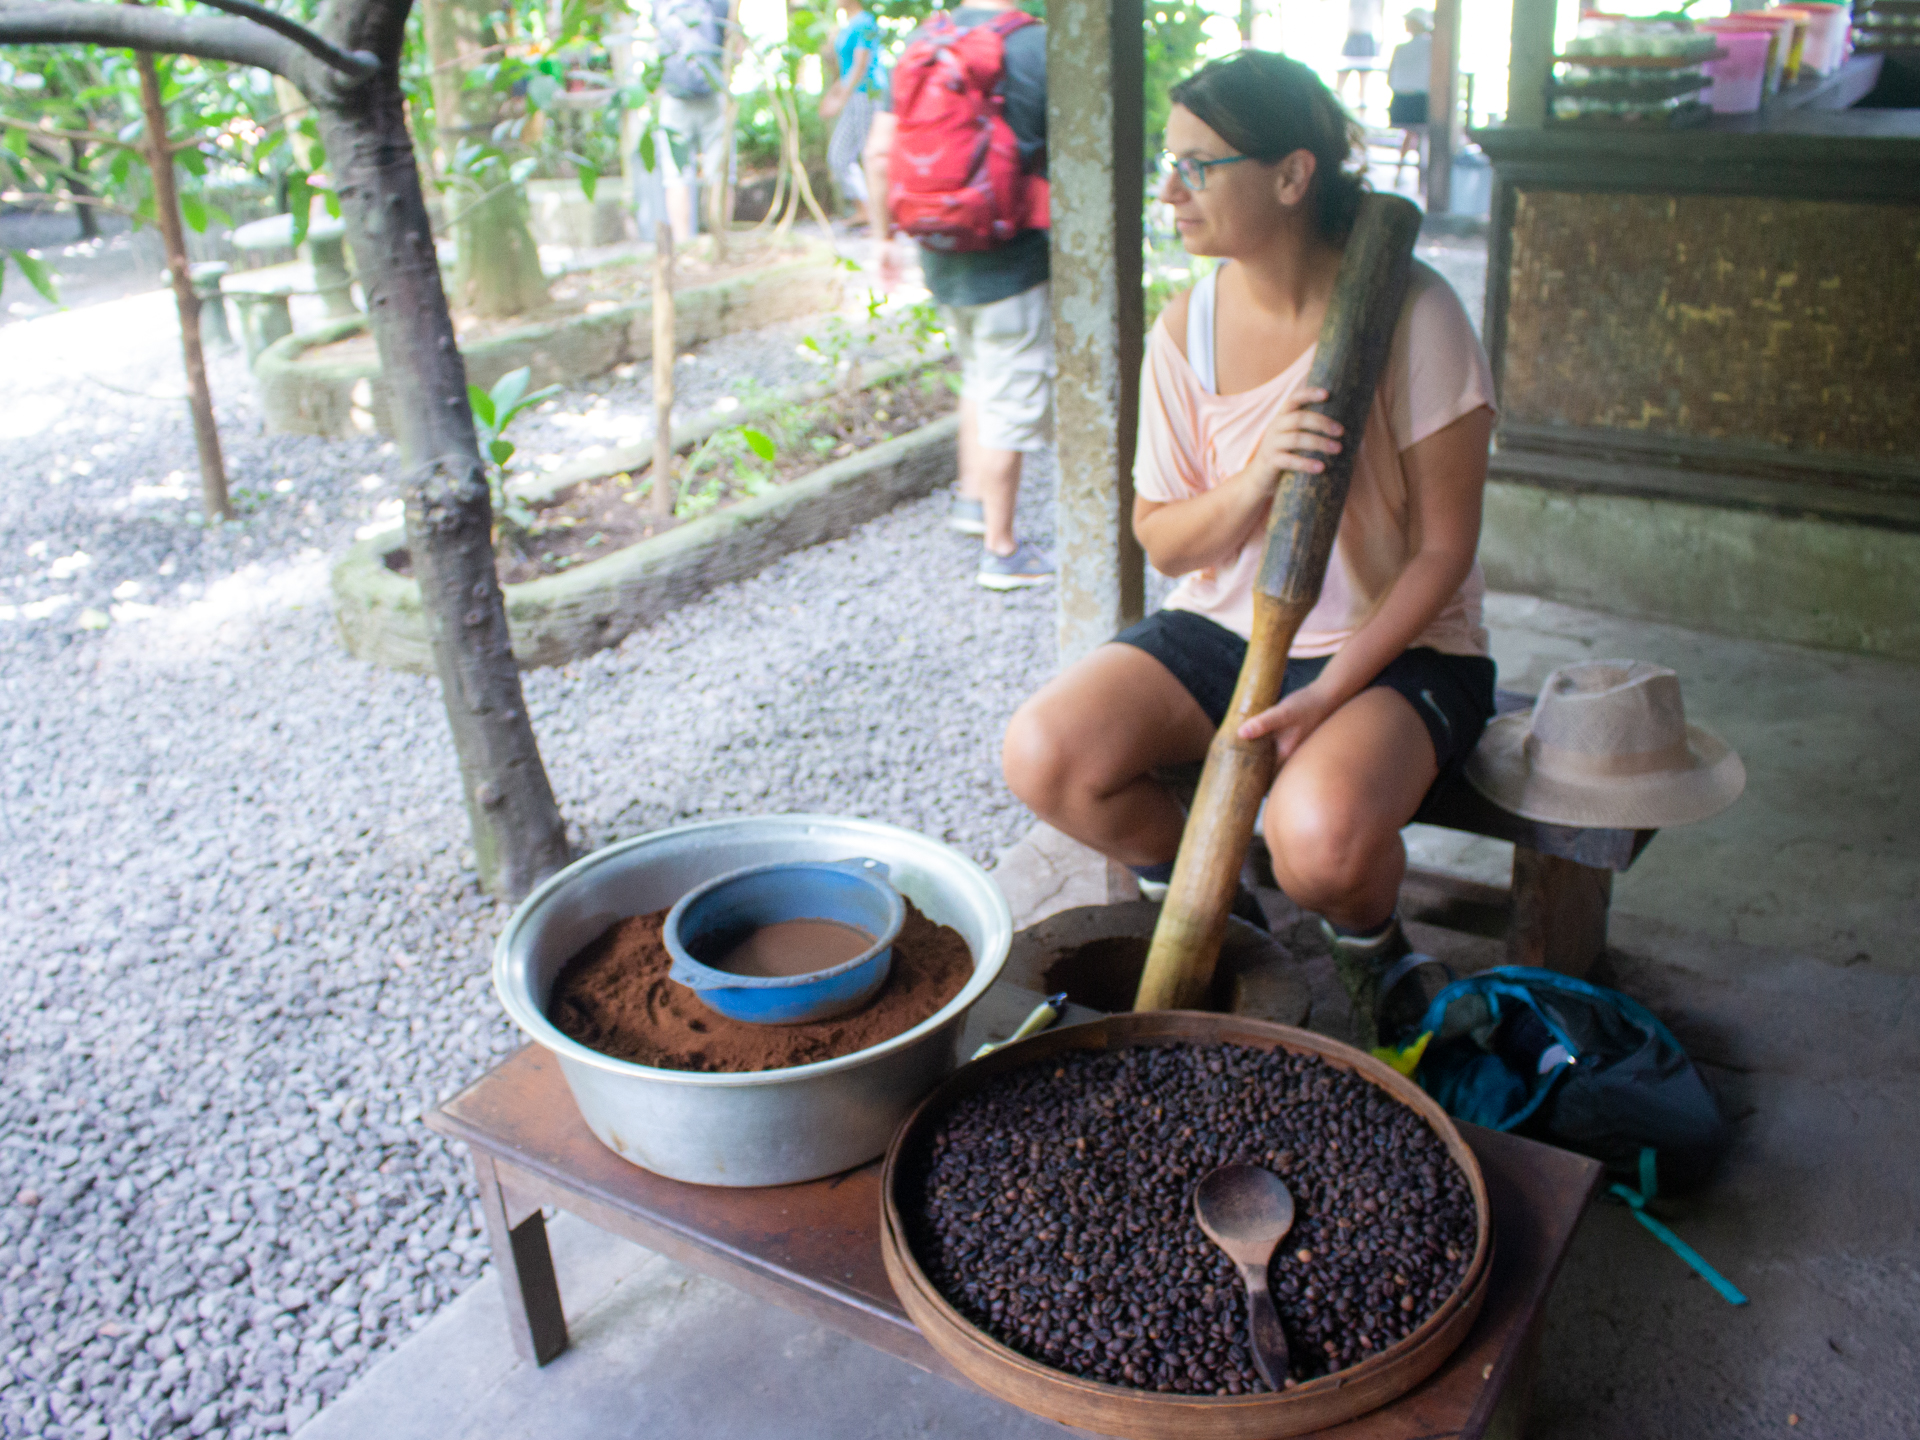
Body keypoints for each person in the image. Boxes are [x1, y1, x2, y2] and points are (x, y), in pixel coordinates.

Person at [1001, 51, 1498, 1048]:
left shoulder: (1416, 314)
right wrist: (1259, 475)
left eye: (1198, 166)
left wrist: (1326, 693)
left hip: (1400, 646)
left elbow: (1444, 552)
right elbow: (1161, 534)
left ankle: (1377, 956)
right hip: (1226, 625)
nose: (1170, 192)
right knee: (1046, 754)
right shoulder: (1188, 330)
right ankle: (1224, 920)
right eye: (1169, 165)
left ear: (1291, 175)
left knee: (1318, 842)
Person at [862, 0, 1054, 591]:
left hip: (941, 252)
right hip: (1013, 257)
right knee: (1011, 394)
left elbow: (877, 152)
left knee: (978, 375)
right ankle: (1002, 549)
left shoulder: (925, 40)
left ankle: (973, 502)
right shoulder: (1036, 46)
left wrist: (883, 240)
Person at [652, 0, 733, 244]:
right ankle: (720, 241)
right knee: (719, 174)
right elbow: (732, 38)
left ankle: (683, 245)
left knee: (676, 176)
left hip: (674, 97)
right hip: (713, 94)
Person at [821, 0, 886, 216]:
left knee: (870, 156)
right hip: (853, 96)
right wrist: (834, 95)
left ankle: (876, 214)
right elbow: (845, 69)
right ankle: (865, 210)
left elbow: (861, 65)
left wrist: (840, 99)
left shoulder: (865, 22)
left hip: (867, 94)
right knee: (839, 156)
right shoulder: (846, 26)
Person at [1388, 8, 1434, 137]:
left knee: (1412, 135)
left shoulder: (1429, 47)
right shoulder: (1430, 47)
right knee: (1413, 135)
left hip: (1405, 102)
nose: (1406, 24)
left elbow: (1390, 79)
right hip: (1414, 102)